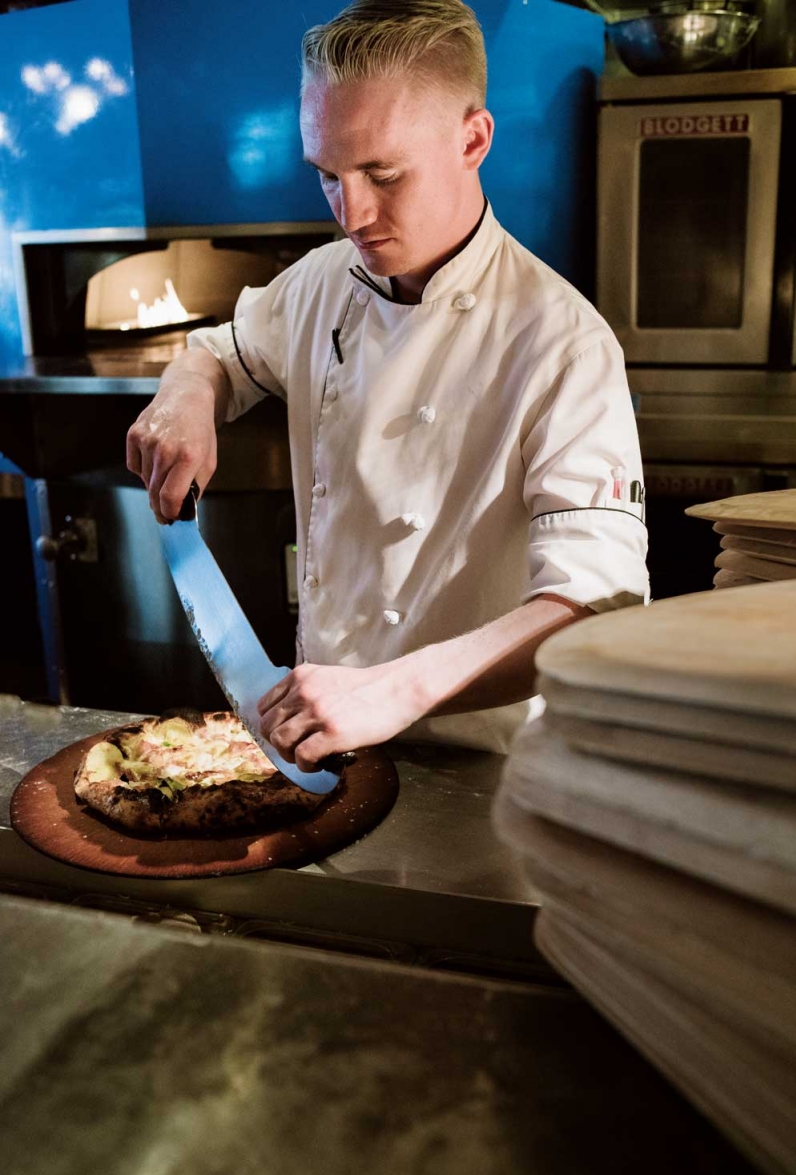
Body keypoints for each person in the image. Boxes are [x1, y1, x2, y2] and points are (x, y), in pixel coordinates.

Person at [126, 0, 649, 771]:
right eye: (328, 176)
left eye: (383, 172)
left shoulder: (561, 344)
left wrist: (394, 691)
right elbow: (219, 351)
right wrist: (185, 395)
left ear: (473, 139)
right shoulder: (321, 281)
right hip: (326, 743)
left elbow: (595, 611)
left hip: (484, 767)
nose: (352, 214)